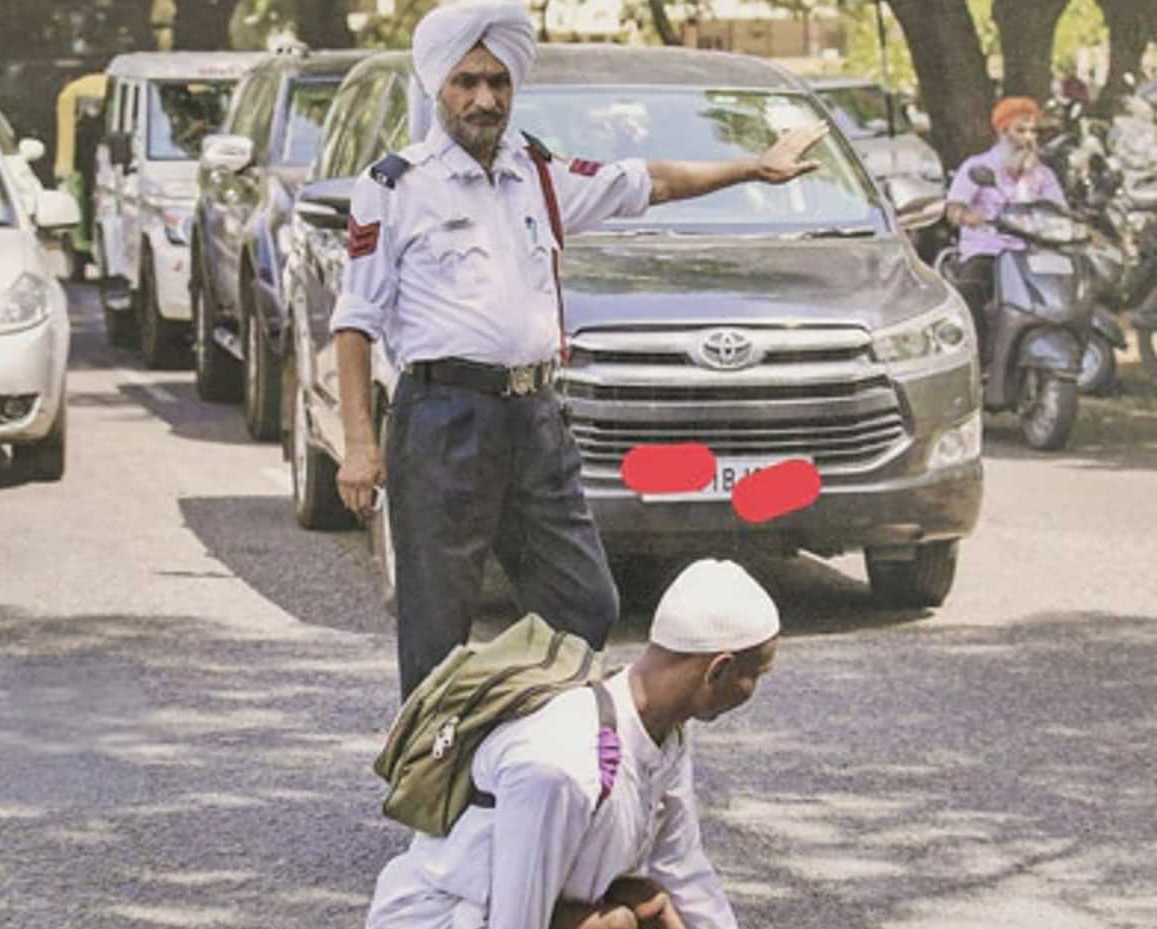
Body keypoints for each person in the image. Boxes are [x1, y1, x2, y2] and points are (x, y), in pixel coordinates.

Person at [329, 2, 828, 698]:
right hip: (442, 421)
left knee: (585, 605)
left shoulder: (539, 172)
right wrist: (359, 444)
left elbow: (649, 181)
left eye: (499, 83)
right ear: (440, 85)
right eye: (468, 81)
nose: (484, 98)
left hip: (534, 419)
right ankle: (439, 795)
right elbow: (354, 320)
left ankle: (519, 736)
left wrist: (753, 168)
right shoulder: (396, 186)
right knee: (435, 628)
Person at [365, 559, 872, 929]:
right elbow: (521, 901)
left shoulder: (663, 728)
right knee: (615, 927)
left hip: (514, 904)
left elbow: (682, 865)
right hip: (447, 913)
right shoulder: (561, 760)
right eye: (754, 675)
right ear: (717, 669)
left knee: (645, 900)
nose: (754, 691)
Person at [942, 96, 1069, 329]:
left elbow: (1059, 210)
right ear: (1002, 132)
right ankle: (980, 356)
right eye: (1021, 130)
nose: (1029, 138)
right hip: (989, 250)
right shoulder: (977, 166)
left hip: (1031, 252)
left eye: (1033, 131)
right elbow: (953, 209)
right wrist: (968, 217)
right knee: (970, 289)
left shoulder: (1043, 174)